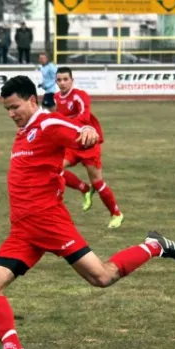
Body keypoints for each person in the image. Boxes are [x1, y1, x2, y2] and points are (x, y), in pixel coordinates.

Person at [0, 75, 175, 349]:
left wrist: (86, 130)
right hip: (24, 230)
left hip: (50, 222)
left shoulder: (47, 124)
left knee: (101, 277)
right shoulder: (25, 131)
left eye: (15, 107)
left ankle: (154, 246)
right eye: (6, 109)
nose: (11, 114)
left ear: (32, 101)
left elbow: (79, 129)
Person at [55, 66, 124, 228]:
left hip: (88, 144)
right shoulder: (57, 97)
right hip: (72, 144)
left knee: (98, 182)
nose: (62, 83)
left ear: (72, 80)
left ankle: (116, 214)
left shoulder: (80, 96)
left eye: (66, 79)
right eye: (59, 80)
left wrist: (65, 124)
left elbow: (84, 117)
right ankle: (84, 189)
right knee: (55, 168)